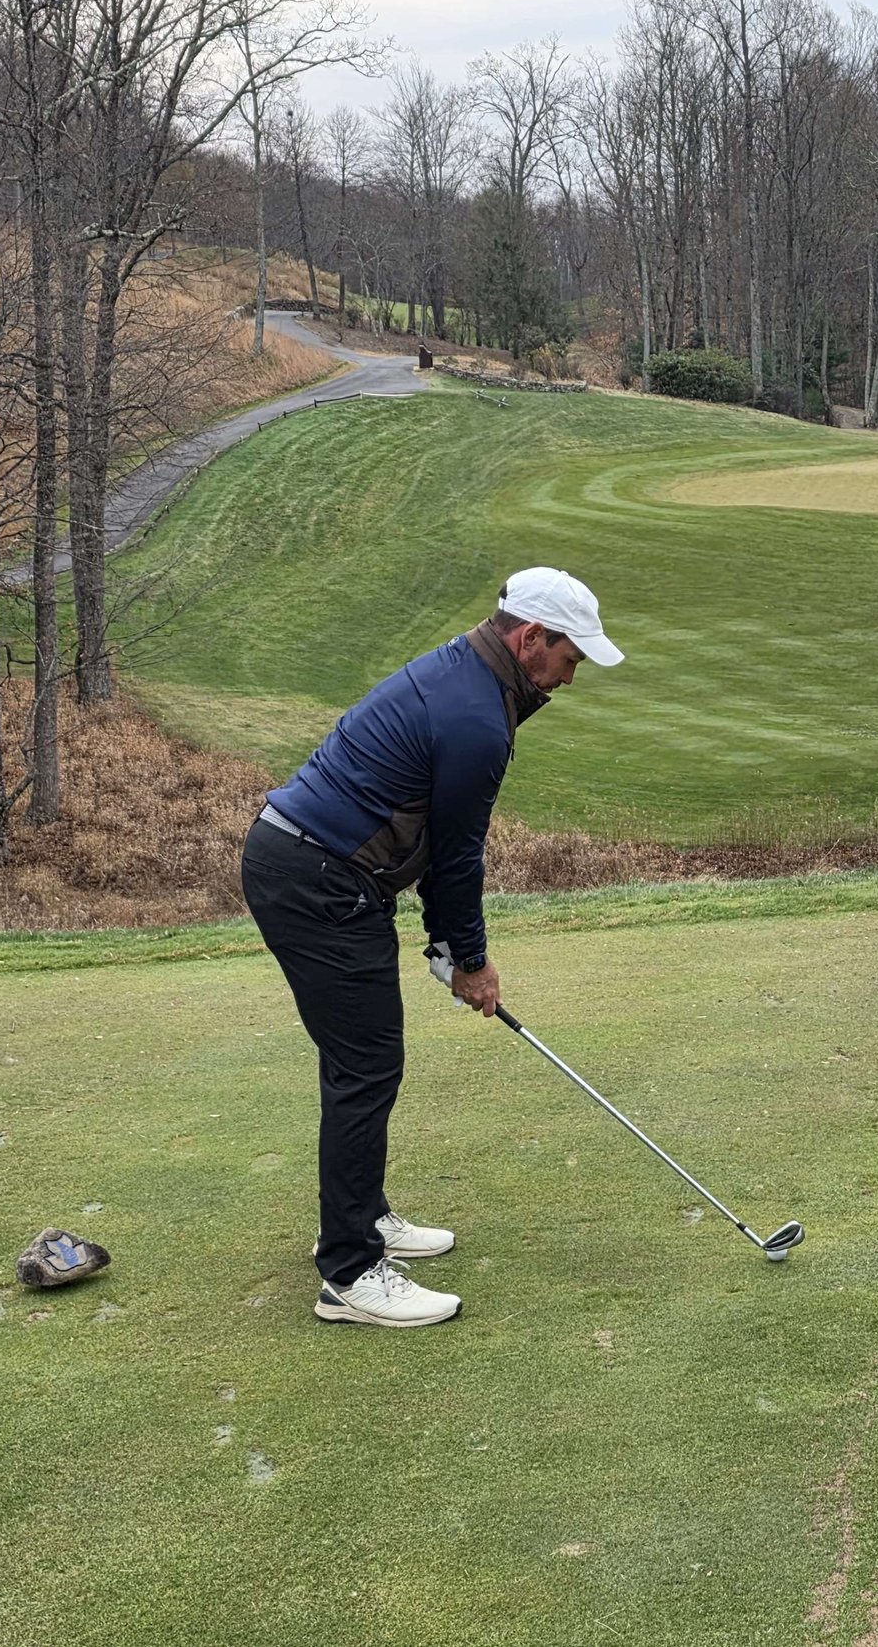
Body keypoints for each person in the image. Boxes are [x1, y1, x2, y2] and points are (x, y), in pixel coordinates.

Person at [240, 567, 624, 1328]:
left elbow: (437, 842)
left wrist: (447, 943)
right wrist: (470, 959)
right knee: (367, 1062)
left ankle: (362, 1215)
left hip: (315, 866)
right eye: (570, 659)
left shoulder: (472, 676)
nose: (570, 678)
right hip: (316, 876)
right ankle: (349, 1271)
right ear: (530, 638)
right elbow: (457, 856)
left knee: (359, 1057)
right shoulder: (479, 718)